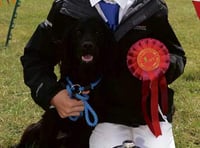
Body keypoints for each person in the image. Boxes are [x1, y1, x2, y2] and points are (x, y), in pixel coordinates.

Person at [20, 0, 186, 148]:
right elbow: (36, 57)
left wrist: (161, 65)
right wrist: (52, 94)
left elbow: (176, 55)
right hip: (97, 116)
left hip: (145, 114)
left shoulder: (152, 7)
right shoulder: (66, 7)